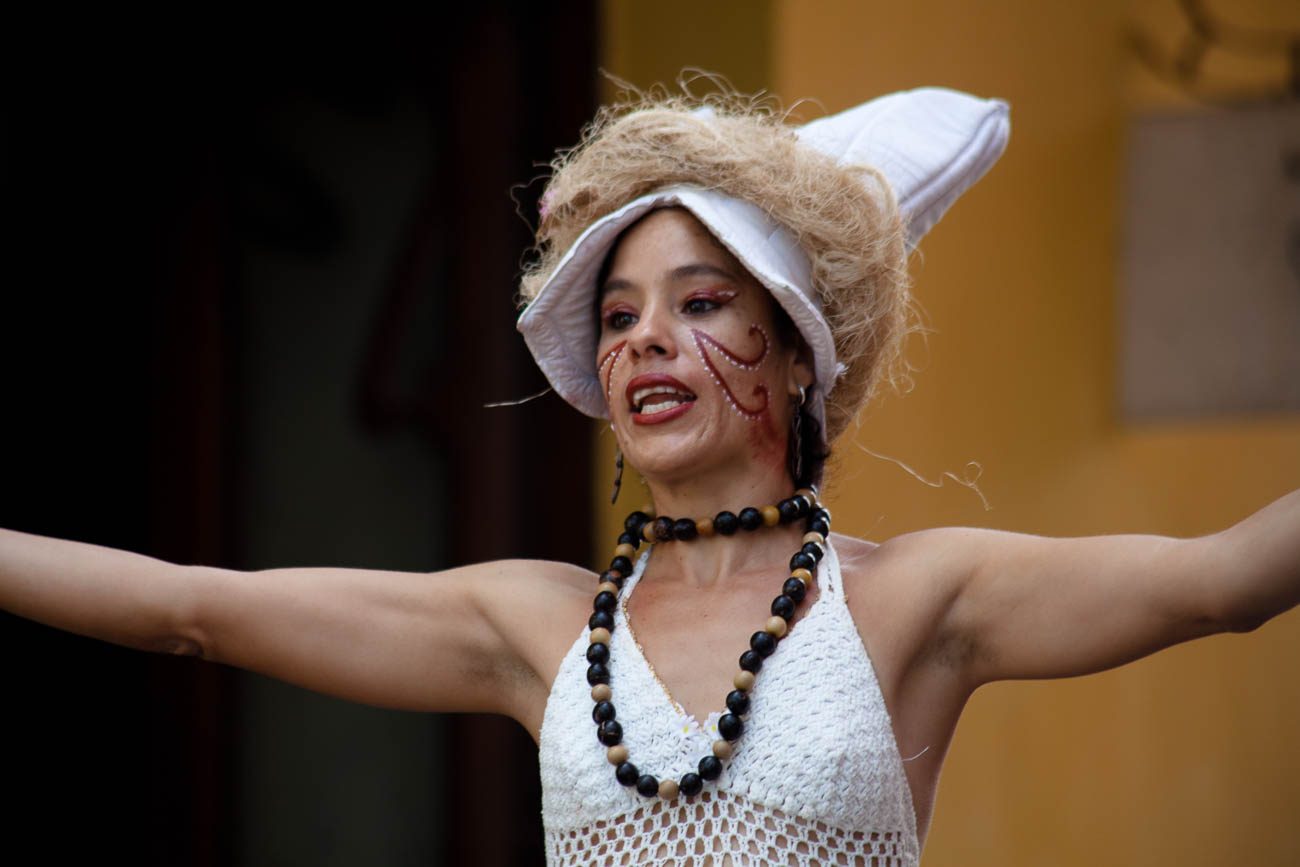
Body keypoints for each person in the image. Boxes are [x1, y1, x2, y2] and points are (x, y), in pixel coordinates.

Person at [2, 86, 1298, 867]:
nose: (644, 342)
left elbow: (1227, 580)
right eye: (617, 317)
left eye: (700, 301)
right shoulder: (538, 624)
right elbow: (192, 609)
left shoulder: (918, 604)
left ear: (798, 357)